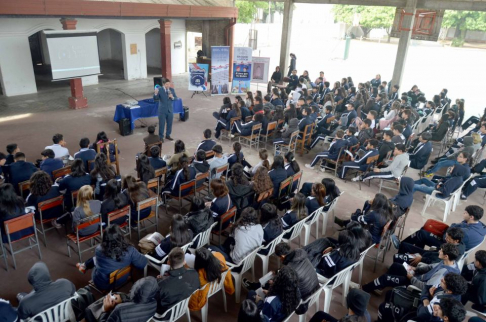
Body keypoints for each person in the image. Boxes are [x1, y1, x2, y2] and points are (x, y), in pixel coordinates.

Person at [362, 243, 460, 293]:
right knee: (396, 266)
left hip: (416, 283)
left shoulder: (443, 273)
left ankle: (363, 289)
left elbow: (425, 287)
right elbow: (430, 267)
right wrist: (415, 269)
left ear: (446, 256)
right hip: (417, 276)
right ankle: (380, 287)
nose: (439, 252)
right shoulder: (450, 262)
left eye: (441, 251)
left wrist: (410, 277)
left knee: (385, 278)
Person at [85, 276, 158, 322]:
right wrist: (123, 300)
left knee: (88, 311)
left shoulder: (120, 310)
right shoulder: (154, 303)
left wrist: (105, 310)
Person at [156, 247, 200, 319]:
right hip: (184, 306)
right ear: (184, 261)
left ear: (168, 262)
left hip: (165, 314)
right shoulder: (194, 274)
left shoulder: (161, 284)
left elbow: (155, 300)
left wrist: (160, 280)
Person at [393, 227, 465, 267]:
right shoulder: (455, 244)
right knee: (404, 245)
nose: (445, 239)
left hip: (426, 260)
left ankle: (399, 267)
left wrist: (422, 259)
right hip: (428, 254)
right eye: (446, 237)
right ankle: (400, 265)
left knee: (397, 256)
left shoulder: (453, 252)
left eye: (448, 238)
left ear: (456, 241)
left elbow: (436, 262)